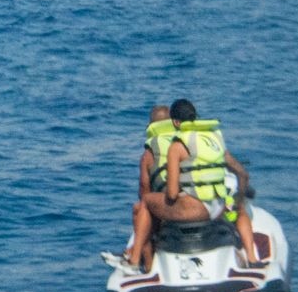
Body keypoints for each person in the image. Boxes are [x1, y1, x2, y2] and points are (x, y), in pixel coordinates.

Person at [105, 99, 264, 274]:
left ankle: (135, 262)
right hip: (218, 208)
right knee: (240, 209)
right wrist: (237, 199)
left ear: (175, 122)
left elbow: (172, 194)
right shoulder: (214, 138)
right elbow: (243, 174)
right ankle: (252, 258)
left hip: (196, 210)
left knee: (147, 202)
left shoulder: (177, 146)